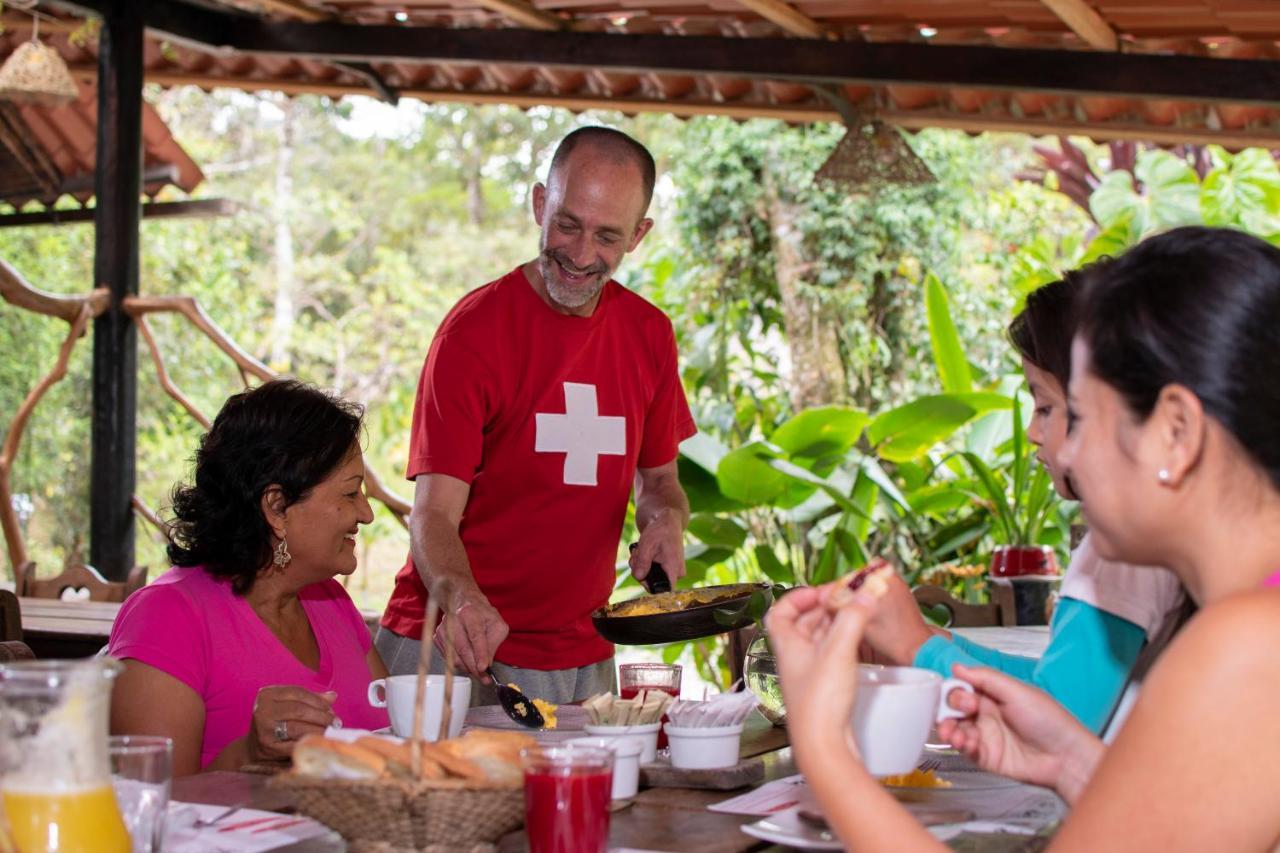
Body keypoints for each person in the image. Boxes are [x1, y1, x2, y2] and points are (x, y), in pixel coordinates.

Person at [769, 226, 1280, 850]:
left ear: (1175, 433)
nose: (1065, 449)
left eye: (1082, 416)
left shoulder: (1247, 643)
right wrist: (1074, 763)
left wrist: (825, 748)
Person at [376, 126, 695, 704]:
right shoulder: (473, 333)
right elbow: (433, 515)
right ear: (539, 203)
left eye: (606, 237)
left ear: (639, 235)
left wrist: (666, 523)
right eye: (567, 224)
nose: (579, 255)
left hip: (583, 654)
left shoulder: (650, 334)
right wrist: (462, 596)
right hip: (458, 645)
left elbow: (661, 483)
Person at [858, 268, 1186, 733]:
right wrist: (930, 641)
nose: (1035, 433)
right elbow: (1051, 683)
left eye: (1047, 407)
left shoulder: (1127, 547)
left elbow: (1062, 717)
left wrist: (917, 647)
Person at [108, 380, 389, 776]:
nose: (366, 513)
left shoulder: (332, 602)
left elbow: (388, 747)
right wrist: (250, 755)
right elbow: (153, 803)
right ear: (277, 508)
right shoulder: (167, 617)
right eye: (350, 494)